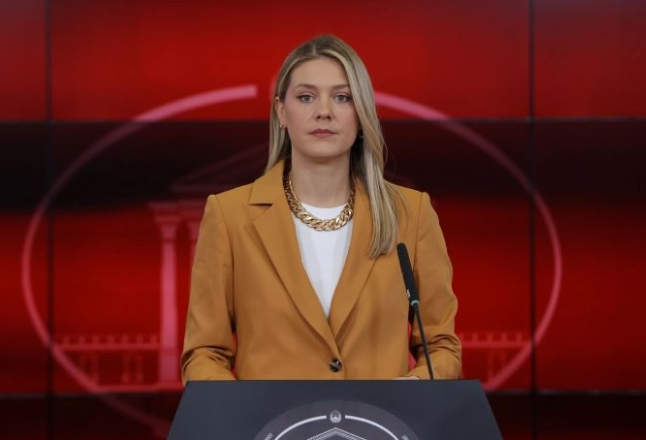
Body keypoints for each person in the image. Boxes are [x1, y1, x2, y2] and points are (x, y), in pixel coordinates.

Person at [181, 34, 461, 381]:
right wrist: (246, 409)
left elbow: (441, 347)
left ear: (362, 113)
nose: (324, 111)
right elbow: (204, 354)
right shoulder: (229, 216)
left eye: (342, 97)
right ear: (281, 111)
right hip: (273, 418)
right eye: (306, 97)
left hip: (378, 417)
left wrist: (412, 388)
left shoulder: (411, 214)